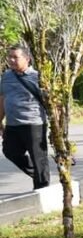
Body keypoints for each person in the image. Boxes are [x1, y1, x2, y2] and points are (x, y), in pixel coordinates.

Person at [0, 45, 49, 190]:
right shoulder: (6, 76)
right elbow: (2, 98)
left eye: (16, 57)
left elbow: (52, 102)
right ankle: (39, 176)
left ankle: (42, 188)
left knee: (38, 158)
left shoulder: (38, 77)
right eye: (10, 57)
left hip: (34, 123)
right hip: (13, 124)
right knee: (10, 151)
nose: (11, 60)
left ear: (27, 59)